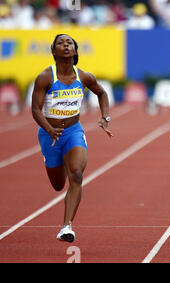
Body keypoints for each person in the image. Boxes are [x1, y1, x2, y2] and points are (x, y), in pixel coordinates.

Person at [31, 34, 113, 242]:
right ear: (53, 50)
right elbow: (35, 109)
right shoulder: (45, 77)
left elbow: (101, 93)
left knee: (76, 174)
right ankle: (50, 158)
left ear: (75, 51)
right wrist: (49, 129)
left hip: (73, 132)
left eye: (69, 43)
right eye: (61, 43)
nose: (65, 46)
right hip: (49, 135)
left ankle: (66, 227)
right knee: (58, 185)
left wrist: (105, 116)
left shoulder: (84, 76)